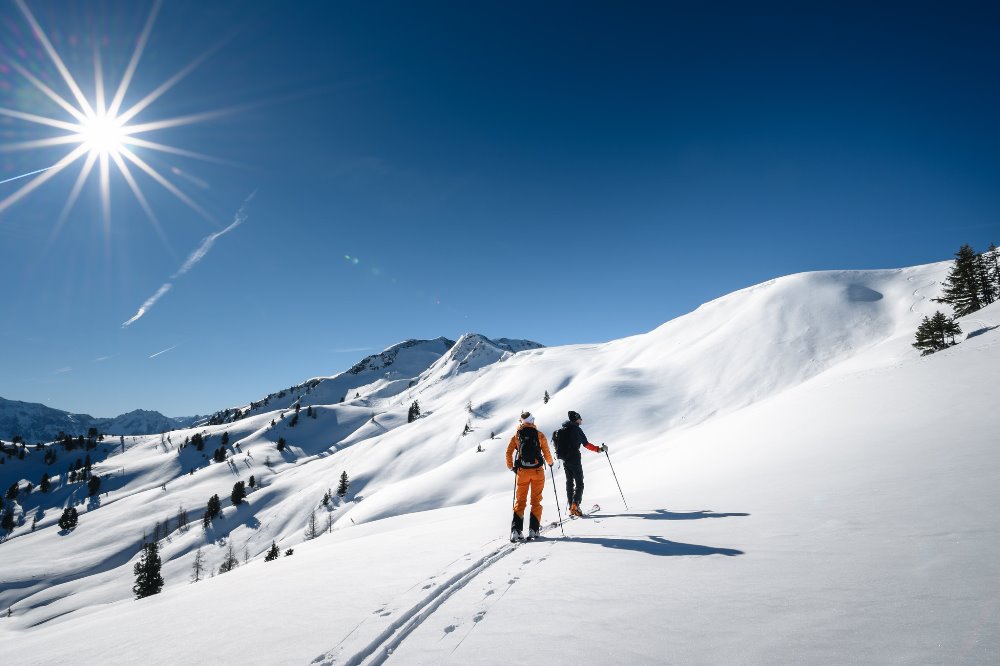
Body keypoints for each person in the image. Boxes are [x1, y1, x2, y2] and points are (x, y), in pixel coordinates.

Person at [506, 411, 554, 541]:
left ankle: (516, 531)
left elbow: (508, 452)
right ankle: (533, 530)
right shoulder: (539, 435)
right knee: (536, 501)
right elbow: (546, 452)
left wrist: (511, 466)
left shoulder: (517, 435)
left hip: (522, 472)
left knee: (520, 501)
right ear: (532, 421)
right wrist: (550, 463)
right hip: (538, 471)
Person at [556, 410, 606, 517]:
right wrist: (599, 449)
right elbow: (586, 444)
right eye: (580, 418)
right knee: (579, 483)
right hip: (574, 458)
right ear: (576, 419)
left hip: (565, 459)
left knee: (569, 482)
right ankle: (575, 505)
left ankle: (571, 507)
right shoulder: (576, 430)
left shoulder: (564, 429)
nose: (581, 420)